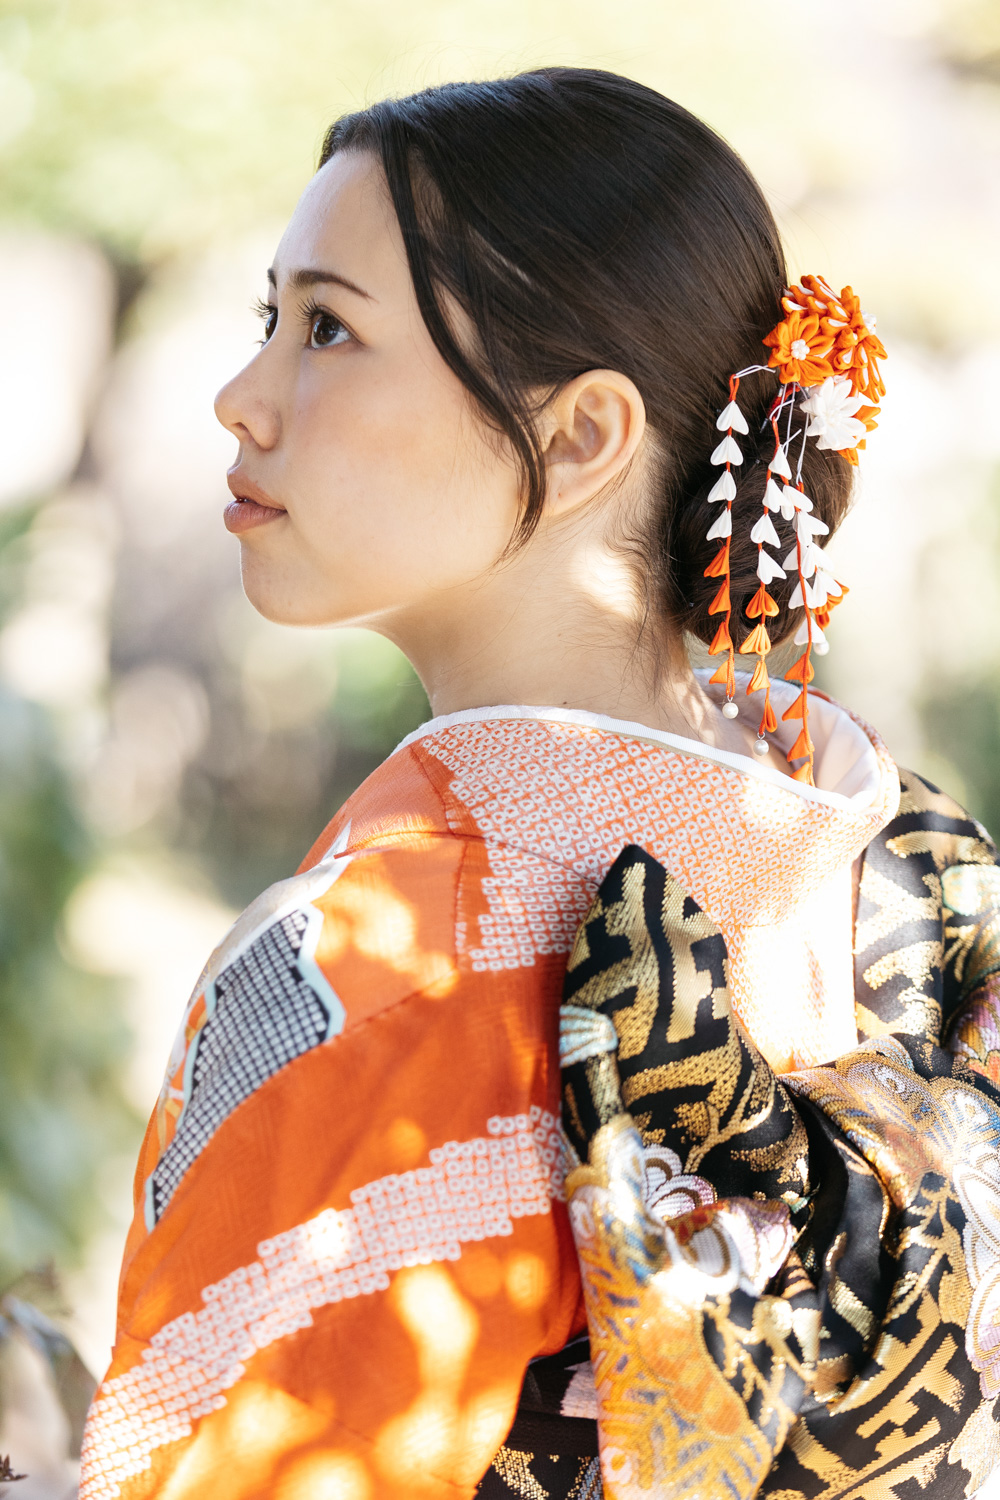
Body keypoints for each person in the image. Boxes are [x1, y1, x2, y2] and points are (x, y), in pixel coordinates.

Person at [78, 68, 1000, 1500]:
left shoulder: (377, 965)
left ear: (579, 439)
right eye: (273, 320)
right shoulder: (913, 871)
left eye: (329, 329)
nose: (240, 399)